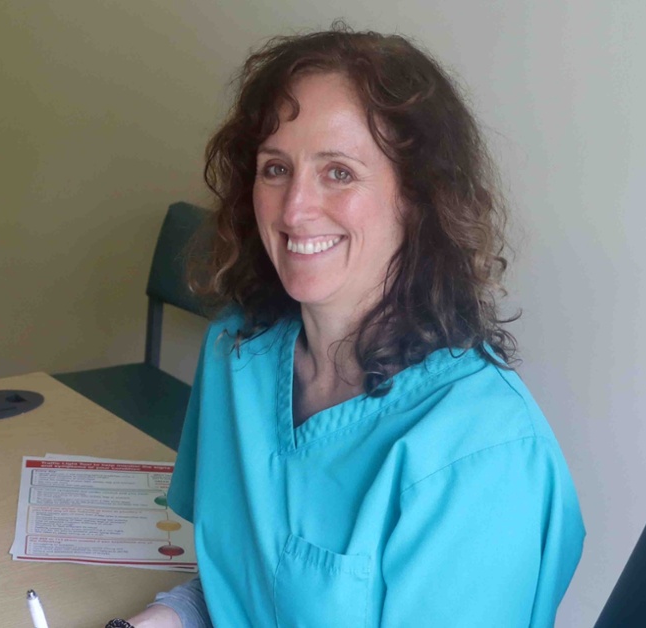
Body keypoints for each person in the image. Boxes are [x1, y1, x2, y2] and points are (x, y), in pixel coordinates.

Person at [111, 26, 585, 627]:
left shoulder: (484, 454)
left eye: (338, 172)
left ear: (416, 199)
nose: (294, 209)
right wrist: (157, 619)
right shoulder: (238, 354)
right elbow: (240, 585)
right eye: (275, 168)